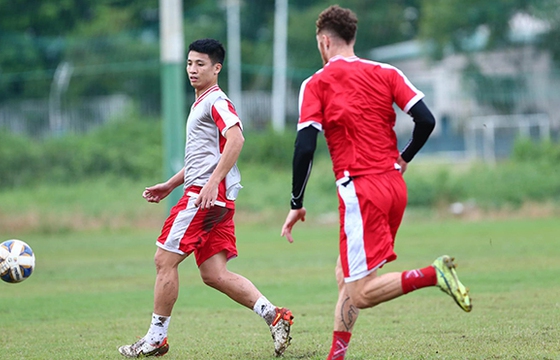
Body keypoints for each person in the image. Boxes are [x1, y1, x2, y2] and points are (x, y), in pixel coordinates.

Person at [280, 6, 472, 360]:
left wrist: (296, 202)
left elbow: (304, 147)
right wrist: (406, 156)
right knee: (346, 276)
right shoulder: (386, 72)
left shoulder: (317, 82)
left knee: (362, 293)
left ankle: (433, 274)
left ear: (323, 41)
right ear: (352, 38)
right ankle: (336, 356)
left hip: (361, 190)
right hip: (394, 186)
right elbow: (426, 120)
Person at [118, 38, 294, 358]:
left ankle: (156, 338)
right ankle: (275, 316)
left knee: (164, 260)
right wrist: (171, 185)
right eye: (189, 63)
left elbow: (236, 138)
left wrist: (212, 183)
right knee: (214, 274)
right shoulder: (200, 102)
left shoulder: (217, 101)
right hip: (213, 197)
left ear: (217, 68)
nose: (192, 70)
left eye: (200, 64)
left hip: (204, 197)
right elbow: (204, 158)